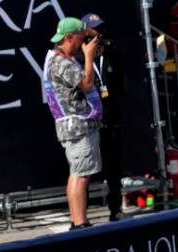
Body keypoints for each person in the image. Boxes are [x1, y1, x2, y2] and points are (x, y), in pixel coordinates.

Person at [43, 17, 102, 229]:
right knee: (81, 176)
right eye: (80, 37)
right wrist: (89, 56)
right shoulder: (61, 62)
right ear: (68, 38)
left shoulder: (59, 58)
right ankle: (80, 224)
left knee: (76, 174)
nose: (82, 42)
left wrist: (90, 36)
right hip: (77, 127)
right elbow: (87, 84)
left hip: (75, 126)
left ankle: (76, 221)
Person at [81, 13, 123, 221]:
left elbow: (121, 84)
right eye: (94, 29)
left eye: (100, 28)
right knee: (85, 170)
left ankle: (116, 208)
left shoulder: (111, 53)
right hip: (88, 121)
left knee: (113, 166)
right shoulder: (79, 58)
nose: (99, 33)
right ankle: (82, 215)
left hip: (109, 118)